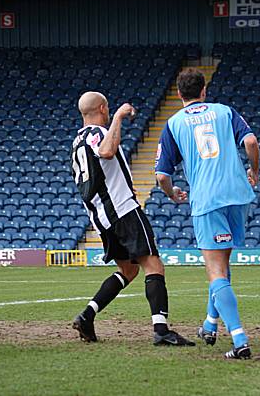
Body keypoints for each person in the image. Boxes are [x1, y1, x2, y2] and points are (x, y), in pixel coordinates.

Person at [70, 91, 193, 347]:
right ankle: (161, 330)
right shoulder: (98, 133)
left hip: (102, 218)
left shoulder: (76, 141)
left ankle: (87, 315)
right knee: (154, 266)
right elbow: (106, 151)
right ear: (102, 108)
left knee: (128, 270)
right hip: (123, 209)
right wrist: (118, 117)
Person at [155, 68, 260, 360]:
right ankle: (210, 324)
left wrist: (171, 193)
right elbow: (250, 142)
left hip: (208, 200)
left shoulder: (174, 123)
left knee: (215, 270)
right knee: (223, 265)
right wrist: (254, 170)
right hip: (239, 196)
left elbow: (162, 175)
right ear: (204, 91)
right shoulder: (224, 111)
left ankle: (239, 340)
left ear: (179, 95)